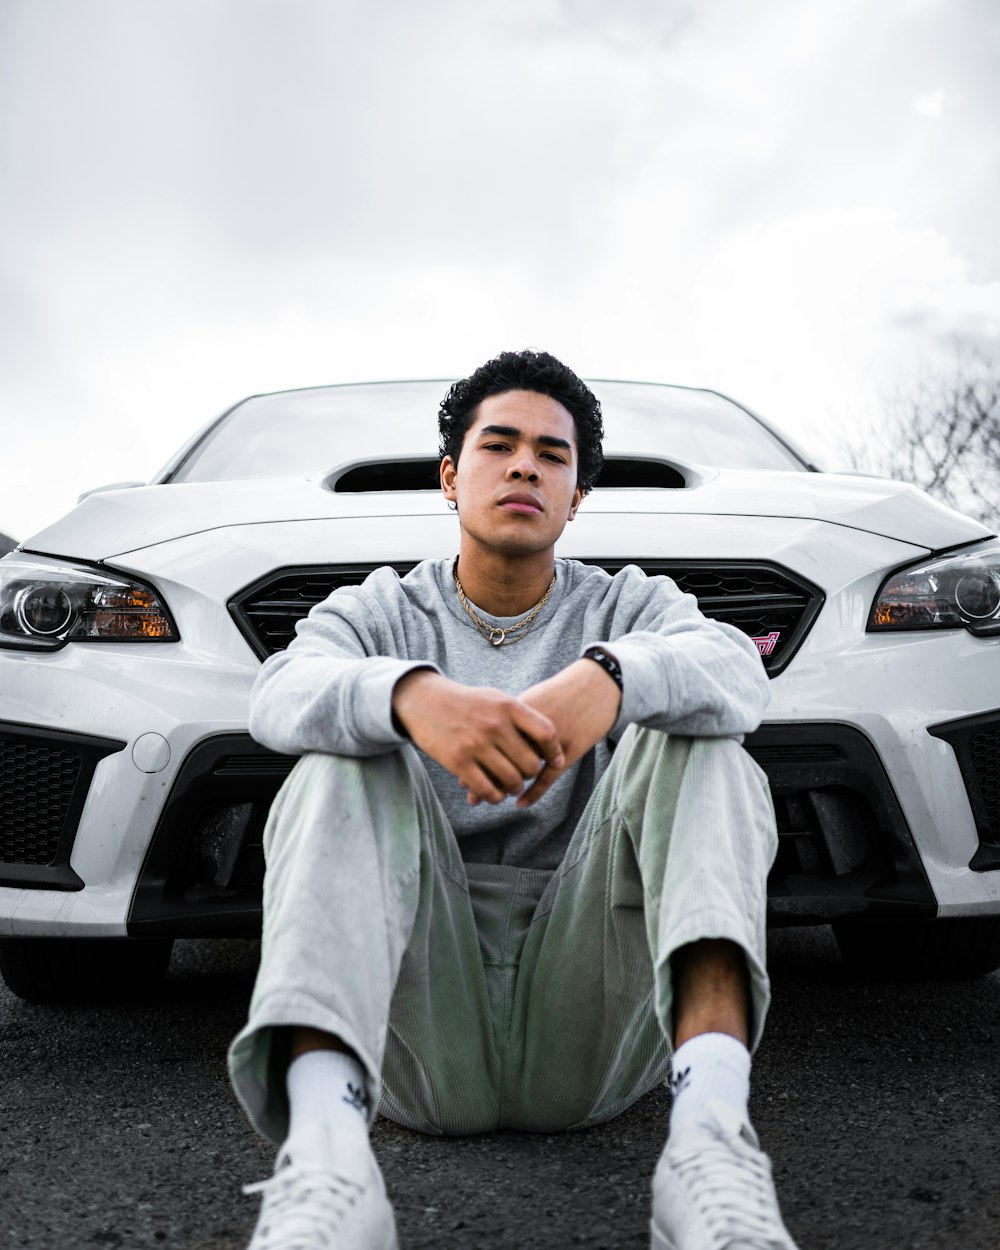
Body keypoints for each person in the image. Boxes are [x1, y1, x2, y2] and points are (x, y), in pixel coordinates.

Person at [229, 349, 799, 1250]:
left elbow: (738, 671)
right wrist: (410, 697)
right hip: (421, 1026)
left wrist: (611, 677)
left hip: (590, 1012)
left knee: (706, 737)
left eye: (553, 454)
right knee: (338, 751)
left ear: (577, 498)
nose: (526, 464)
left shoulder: (631, 603)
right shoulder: (379, 609)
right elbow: (279, 693)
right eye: (499, 445)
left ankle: (713, 1146)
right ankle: (328, 1164)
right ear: (452, 478)